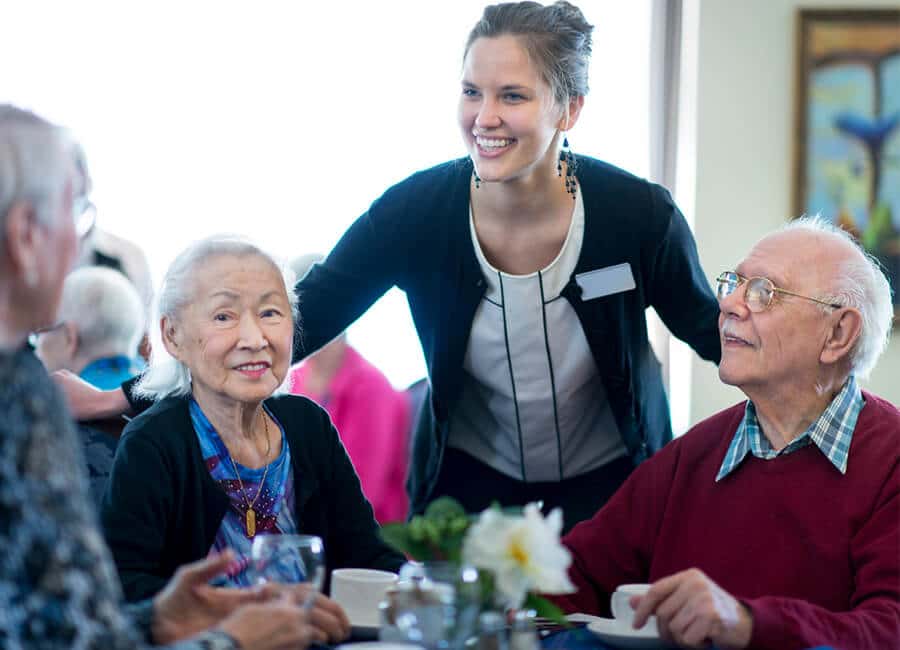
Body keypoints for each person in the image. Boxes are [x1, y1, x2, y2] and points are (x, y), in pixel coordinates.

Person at [61, 0, 721, 532]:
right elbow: (302, 316)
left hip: (615, 487)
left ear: (570, 109)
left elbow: (713, 332)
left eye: (512, 96)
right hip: (467, 492)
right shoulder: (418, 213)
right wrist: (124, 395)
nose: (484, 118)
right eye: (471, 91)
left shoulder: (638, 218)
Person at [0, 104, 344, 649]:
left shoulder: (20, 381)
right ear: (25, 235)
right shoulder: (26, 401)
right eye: (78, 214)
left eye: (270, 313)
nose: (82, 248)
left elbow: (67, 626)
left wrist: (156, 620)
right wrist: (230, 641)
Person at [553, 217, 899, 650]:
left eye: (763, 292)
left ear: (837, 334)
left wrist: (748, 623)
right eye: (733, 283)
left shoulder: (891, 461)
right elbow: (572, 575)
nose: (731, 304)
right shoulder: (691, 456)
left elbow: (889, 629)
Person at [101, 236, 406, 603]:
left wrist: (426, 588)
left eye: (270, 313)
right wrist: (232, 614)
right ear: (172, 336)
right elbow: (123, 588)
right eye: (224, 316)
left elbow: (370, 557)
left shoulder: (310, 427)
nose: (254, 338)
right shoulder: (154, 443)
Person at [288, 253, 411, 524]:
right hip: (305, 536)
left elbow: (361, 495)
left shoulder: (371, 389)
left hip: (365, 548)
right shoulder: (292, 382)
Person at [34, 266, 145, 389]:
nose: (36, 344)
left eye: (41, 329)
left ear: (69, 338)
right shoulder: (158, 392)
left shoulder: (57, 404)